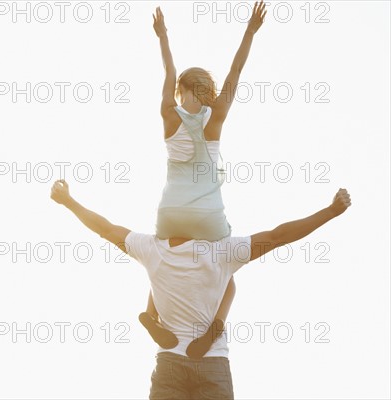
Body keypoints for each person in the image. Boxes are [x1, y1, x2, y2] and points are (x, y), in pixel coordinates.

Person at [49, 180, 351, 399]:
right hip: (212, 364)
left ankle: (153, 318)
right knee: (226, 283)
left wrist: (69, 202)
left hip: (169, 361)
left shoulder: (151, 247)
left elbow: (106, 228)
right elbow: (278, 236)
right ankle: (209, 325)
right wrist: (330, 211)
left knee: (169, 280)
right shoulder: (222, 250)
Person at [141, 1, 268, 357]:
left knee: (161, 260)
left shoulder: (168, 114)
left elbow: (169, 69)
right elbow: (235, 71)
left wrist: (163, 35)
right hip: (208, 220)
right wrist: (250, 32)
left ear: (181, 92)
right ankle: (215, 327)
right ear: (206, 91)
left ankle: (153, 316)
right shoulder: (217, 116)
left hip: (170, 216)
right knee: (229, 278)